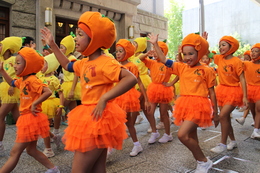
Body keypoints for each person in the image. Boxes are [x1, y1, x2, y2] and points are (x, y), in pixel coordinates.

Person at [41, 11, 137, 172]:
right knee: (98, 169)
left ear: (95, 39)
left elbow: (131, 78)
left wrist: (105, 98)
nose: (75, 38)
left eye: (80, 34)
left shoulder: (106, 62)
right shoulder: (83, 62)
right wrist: (52, 45)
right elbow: (67, 65)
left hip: (98, 118)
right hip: (89, 117)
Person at [148, 33, 218, 173]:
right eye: (185, 54)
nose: (187, 57)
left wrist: (215, 112)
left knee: (182, 135)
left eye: (191, 54)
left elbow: (212, 92)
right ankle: (200, 161)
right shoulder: (181, 67)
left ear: (200, 52)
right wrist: (155, 44)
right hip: (185, 104)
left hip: (200, 106)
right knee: (191, 136)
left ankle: (204, 161)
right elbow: (163, 60)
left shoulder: (207, 70)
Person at [0, 47, 60, 173]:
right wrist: (2, 71)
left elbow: (47, 91)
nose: (15, 66)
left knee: (14, 152)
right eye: (15, 63)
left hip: (30, 119)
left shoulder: (33, 80)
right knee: (31, 150)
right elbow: (11, 82)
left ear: (28, 65)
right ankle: (53, 169)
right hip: (28, 119)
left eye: (18, 63)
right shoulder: (23, 80)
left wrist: (35, 104)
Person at [210, 36, 248, 153]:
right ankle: (233, 141)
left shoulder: (237, 61)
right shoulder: (218, 58)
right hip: (221, 90)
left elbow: (242, 79)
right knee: (225, 118)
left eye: (224, 45)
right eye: (220, 45)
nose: (221, 47)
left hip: (233, 91)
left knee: (222, 116)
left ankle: (222, 144)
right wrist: (203, 41)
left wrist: (245, 96)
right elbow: (206, 53)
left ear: (231, 46)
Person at [114, 39, 151, 156]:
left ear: (127, 52)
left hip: (129, 96)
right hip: (117, 96)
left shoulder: (132, 66)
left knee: (127, 123)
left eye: (121, 51)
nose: (118, 54)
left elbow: (139, 82)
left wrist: (146, 99)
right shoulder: (115, 65)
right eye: (117, 51)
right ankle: (136, 145)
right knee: (122, 122)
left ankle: (135, 145)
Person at [138, 40, 175, 144]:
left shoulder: (168, 63)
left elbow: (178, 72)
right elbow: (140, 58)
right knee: (150, 111)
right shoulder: (152, 62)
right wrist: (147, 53)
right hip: (153, 89)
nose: (155, 53)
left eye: (158, 51)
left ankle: (168, 134)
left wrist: (171, 83)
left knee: (163, 114)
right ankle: (155, 132)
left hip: (164, 89)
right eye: (154, 51)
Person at [40, 53, 64, 157]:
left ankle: (48, 149)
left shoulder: (54, 79)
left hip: (50, 103)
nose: (41, 66)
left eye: (44, 64)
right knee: (42, 127)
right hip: (40, 103)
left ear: (50, 66)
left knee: (44, 127)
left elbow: (61, 93)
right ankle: (54, 137)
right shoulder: (38, 76)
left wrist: (61, 106)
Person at [0, 36, 22, 153]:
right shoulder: (0, 59)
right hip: (3, 89)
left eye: (1, 46)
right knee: (18, 118)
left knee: (0, 115)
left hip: (11, 89)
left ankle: (0, 145)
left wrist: (12, 86)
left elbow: (19, 73)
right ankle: (26, 139)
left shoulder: (14, 59)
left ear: (8, 48)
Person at [129, 37, 152, 124]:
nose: (133, 45)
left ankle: (131, 125)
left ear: (140, 46)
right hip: (135, 81)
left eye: (135, 44)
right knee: (142, 107)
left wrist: (147, 54)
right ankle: (153, 127)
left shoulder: (141, 56)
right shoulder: (133, 57)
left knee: (136, 105)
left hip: (142, 81)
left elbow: (142, 57)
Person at [59, 35, 81, 125]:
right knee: (74, 110)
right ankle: (78, 123)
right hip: (67, 85)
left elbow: (76, 74)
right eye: (60, 47)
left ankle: (57, 124)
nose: (60, 50)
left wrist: (72, 90)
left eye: (62, 48)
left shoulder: (72, 59)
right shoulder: (66, 58)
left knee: (60, 106)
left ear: (68, 48)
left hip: (72, 86)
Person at [242, 44, 260, 138]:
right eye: (252, 51)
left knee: (258, 109)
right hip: (249, 89)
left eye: (256, 51)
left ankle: (256, 131)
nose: (253, 53)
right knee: (253, 110)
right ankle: (257, 127)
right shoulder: (247, 64)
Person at [236, 50, 252, 125]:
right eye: (244, 58)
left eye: (247, 58)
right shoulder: (244, 65)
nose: (245, 60)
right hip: (247, 86)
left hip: (255, 87)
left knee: (255, 107)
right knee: (250, 104)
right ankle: (244, 118)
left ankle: (244, 118)